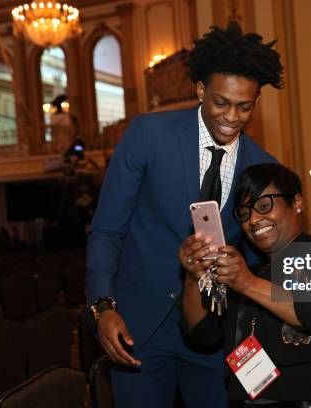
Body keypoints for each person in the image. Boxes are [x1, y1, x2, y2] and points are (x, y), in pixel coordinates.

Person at [86, 21, 282, 408]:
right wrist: (103, 308)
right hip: (140, 327)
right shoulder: (147, 134)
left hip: (215, 331)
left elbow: (263, 259)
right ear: (200, 91)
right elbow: (107, 231)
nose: (232, 117)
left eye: (244, 106)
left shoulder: (262, 166)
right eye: (220, 102)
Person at [179, 164, 311, 407]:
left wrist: (248, 284)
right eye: (244, 213)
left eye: (264, 206)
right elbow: (202, 335)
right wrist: (192, 278)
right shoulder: (245, 273)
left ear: (296, 202)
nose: (253, 219)